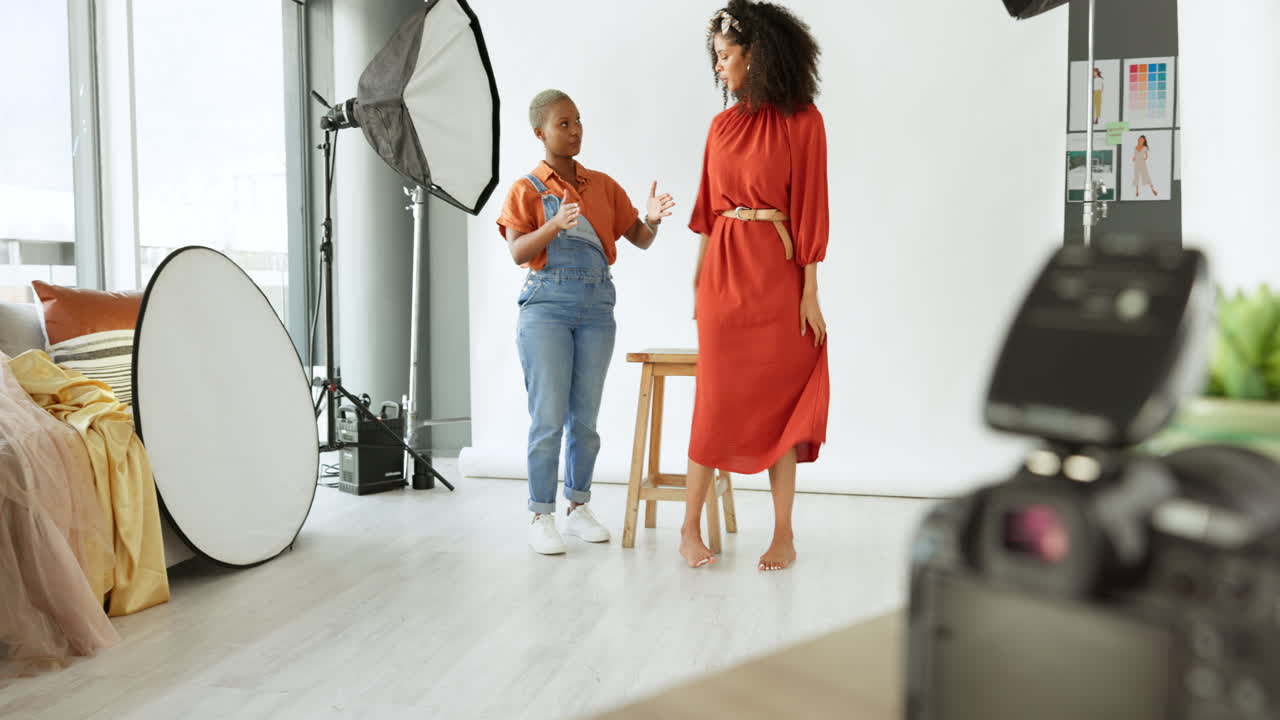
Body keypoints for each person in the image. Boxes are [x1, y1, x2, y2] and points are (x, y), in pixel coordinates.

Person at [681, 1, 830, 571]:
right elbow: (706, 213)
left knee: (780, 404)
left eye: (726, 55)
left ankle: (783, 534)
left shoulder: (803, 122)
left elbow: (811, 207)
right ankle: (689, 529)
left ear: (757, 54)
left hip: (777, 277)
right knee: (714, 400)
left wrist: (810, 290)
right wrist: (697, 282)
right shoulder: (720, 126)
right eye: (716, 57)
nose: (719, 66)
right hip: (723, 272)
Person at [496, 89, 676, 555]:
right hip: (546, 308)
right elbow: (518, 252)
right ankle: (541, 513)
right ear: (540, 132)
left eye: (578, 122)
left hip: (597, 307)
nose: (574, 131)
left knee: (586, 420)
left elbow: (639, 238)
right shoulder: (526, 189)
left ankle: (577, 507)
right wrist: (554, 226)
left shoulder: (602, 185)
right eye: (563, 124)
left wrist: (652, 220)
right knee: (548, 418)